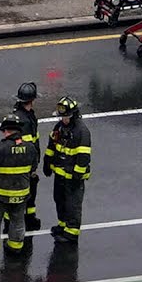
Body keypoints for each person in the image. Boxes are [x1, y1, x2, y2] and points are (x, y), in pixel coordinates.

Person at [0, 114, 38, 257]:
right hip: (21, 194)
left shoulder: (1, 148)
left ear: (6, 130)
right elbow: (33, 167)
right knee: (18, 221)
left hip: (0, 194)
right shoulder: (30, 148)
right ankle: (15, 247)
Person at [44, 96, 91, 244]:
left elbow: (83, 156)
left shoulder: (81, 131)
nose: (64, 119)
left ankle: (71, 232)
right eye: (62, 117)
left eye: (66, 117)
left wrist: (78, 174)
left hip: (73, 176)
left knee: (73, 204)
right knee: (59, 199)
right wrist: (47, 162)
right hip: (60, 173)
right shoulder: (59, 127)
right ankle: (63, 225)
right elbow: (52, 146)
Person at [11, 83, 42, 230]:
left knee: (27, 193)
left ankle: (29, 217)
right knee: (26, 193)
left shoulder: (23, 115)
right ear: (31, 100)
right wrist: (33, 168)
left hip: (23, 163)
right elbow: (28, 146)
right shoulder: (25, 120)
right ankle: (26, 220)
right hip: (25, 165)